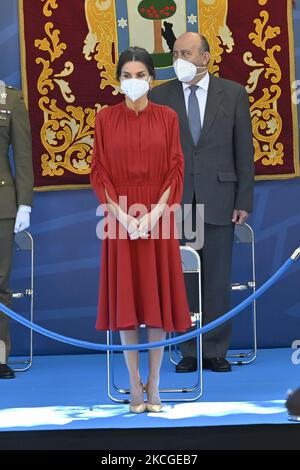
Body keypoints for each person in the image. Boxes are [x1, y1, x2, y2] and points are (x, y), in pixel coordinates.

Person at [90, 47, 191, 412]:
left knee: (156, 302)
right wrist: (120, 214)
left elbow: (175, 169)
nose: (134, 82)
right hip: (118, 219)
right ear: (119, 80)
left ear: (151, 78)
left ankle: (156, 384)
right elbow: (99, 171)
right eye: (127, 76)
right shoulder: (104, 118)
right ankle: (133, 383)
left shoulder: (167, 117)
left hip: (158, 217)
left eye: (140, 75)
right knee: (128, 302)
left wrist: (154, 215)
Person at [150, 32, 254, 373]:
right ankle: (189, 350)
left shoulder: (234, 93)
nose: (180, 58)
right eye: (176, 52)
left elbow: (244, 152)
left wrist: (244, 199)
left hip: (221, 198)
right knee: (184, 279)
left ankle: (214, 350)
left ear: (206, 57)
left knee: (217, 279)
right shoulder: (161, 95)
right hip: (178, 201)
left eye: (187, 52)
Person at [0, 84, 34, 379]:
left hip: (2, 204)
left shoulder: (10, 99)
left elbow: (23, 155)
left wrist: (24, 204)